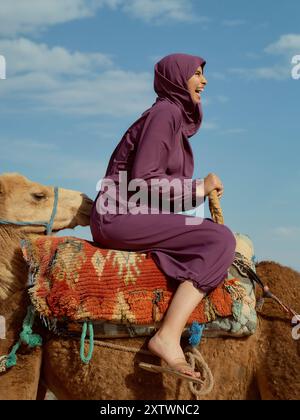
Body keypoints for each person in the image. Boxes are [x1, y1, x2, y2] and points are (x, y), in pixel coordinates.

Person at [90, 53, 236, 382]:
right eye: (196, 74)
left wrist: (197, 190)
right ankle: (167, 337)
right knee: (220, 238)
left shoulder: (168, 116)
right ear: (176, 77)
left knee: (211, 235)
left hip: (130, 212)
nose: (204, 80)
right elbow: (144, 181)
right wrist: (199, 187)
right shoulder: (166, 112)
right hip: (119, 214)